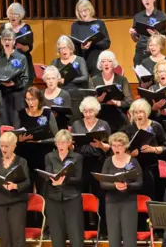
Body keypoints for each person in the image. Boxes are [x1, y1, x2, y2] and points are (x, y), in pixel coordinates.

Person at [71, 96, 111, 239]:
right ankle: (81, 229)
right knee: (79, 196)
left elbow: (109, 147)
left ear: (96, 111)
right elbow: (73, 143)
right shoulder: (77, 124)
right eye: (85, 111)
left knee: (100, 196)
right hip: (81, 163)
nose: (88, 114)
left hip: (98, 163)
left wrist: (101, 145)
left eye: (91, 111)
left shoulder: (103, 125)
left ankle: (103, 230)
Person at [100, 132, 143, 247]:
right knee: (113, 237)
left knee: (129, 237)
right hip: (112, 202)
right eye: (114, 146)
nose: (116, 148)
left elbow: (140, 183)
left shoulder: (133, 161)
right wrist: (115, 186)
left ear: (125, 146)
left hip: (129, 202)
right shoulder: (108, 161)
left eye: (119, 146)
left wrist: (127, 186)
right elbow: (102, 183)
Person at [0, 132, 30, 247]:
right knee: (4, 237)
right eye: (1, 146)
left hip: (16, 201)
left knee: (18, 237)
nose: (3, 149)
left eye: (6, 146)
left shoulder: (21, 161)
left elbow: (27, 183)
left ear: (14, 146)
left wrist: (16, 186)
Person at [15, 86, 58, 196]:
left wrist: (40, 142)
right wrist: (19, 139)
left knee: (42, 190)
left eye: (33, 99)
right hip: (24, 156)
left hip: (42, 156)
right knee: (25, 191)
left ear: (39, 99)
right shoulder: (20, 114)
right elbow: (15, 135)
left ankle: (42, 213)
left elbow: (57, 138)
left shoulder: (48, 114)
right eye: (28, 99)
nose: (30, 103)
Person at [44, 130, 84, 247]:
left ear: (69, 143)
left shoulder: (77, 157)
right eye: (58, 143)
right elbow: (47, 175)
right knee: (56, 235)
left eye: (63, 142)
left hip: (72, 197)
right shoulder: (49, 157)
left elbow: (79, 178)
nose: (60, 145)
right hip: (53, 198)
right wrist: (53, 179)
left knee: (75, 233)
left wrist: (64, 180)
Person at [122, 99, 166, 200]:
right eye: (136, 112)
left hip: (150, 168)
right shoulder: (127, 128)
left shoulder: (156, 126)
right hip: (132, 169)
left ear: (147, 112)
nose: (138, 115)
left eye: (141, 112)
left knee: (150, 197)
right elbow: (119, 148)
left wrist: (154, 149)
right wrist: (128, 154)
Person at [0, 28, 29, 127]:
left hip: (16, 95)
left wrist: (14, 84)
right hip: (1, 95)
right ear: (1, 41)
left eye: (9, 39)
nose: (7, 41)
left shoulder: (21, 58)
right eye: (5, 39)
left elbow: (25, 79)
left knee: (16, 125)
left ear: (14, 41)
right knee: (3, 125)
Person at [91, 50, 133, 133]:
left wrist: (116, 103)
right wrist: (98, 100)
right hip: (101, 115)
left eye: (109, 61)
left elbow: (130, 101)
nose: (106, 64)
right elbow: (89, 102)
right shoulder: (93, 80)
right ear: (100, 64)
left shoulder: (122, 80)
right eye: (103, 61)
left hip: (118, 116)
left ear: (113, 64)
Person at [50, 35, 89, 123]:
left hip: (76, 95)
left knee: (75, 122)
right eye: (60, 49)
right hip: (60, 95)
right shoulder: (55, 62)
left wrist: (66, 80)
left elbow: (85, 77)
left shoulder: (79, 60)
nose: (63, 51)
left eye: (65, 48)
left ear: (70, 48)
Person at [0, 3, 35, 85]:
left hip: (23, 62)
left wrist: (23, 47)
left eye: (15, 14)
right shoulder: (3, 27)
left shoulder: (25, 27)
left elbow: (29, 47)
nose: (13, 16)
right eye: (11, 14)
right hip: (6, 62)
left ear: (20, 15)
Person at [71, 0, 111, 77]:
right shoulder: (75, 25)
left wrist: (93, 43)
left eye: (85, 10)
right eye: (80, 11)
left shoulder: (99, 23)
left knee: (97, 86)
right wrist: (80, 46)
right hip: (80, 61)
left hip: (96, 61)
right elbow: (73, 45)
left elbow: (107, 43)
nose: (83, 13)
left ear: (89, 9)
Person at [130, 0, 166, 66]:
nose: (146, 0)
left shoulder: (162, 16)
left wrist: (156, 35)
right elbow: (135, 39)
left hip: (155, 52)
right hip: (140, 52)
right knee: (140, 76)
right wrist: (132, 34)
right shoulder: (138, 17)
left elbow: (165, 38)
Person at [42, 66, 72, 130]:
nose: (51, 81)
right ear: (45, 80)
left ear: (58, 79)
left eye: (53, 78)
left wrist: (57, 115)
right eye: (48, 79)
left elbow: (68, 116)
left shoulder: (65, 94)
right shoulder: (40, 94)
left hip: (60, 128)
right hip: (44, 128)